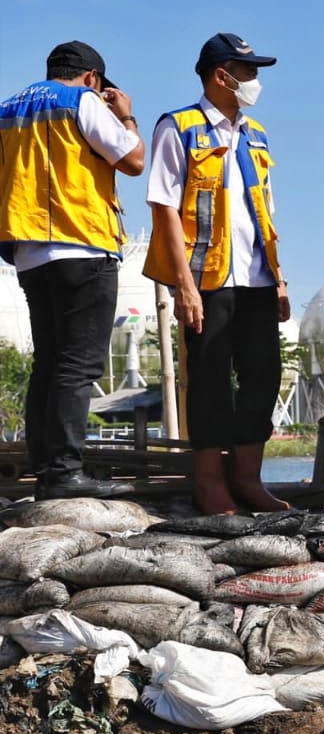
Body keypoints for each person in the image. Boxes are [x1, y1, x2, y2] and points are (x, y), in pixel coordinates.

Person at [143, 33, 289, 515]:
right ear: (220, 74)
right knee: (208, 379)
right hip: (206, 276)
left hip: (257, 278)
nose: (254, 80)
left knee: (264, 374)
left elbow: (265, 209)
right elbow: (163, 205)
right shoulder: (179, 126)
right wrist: (182, 284)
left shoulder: (256, 135)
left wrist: (281, 278)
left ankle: (247, 478)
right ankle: (209, 483)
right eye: (247, 71)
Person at [0, 41, 145, 499]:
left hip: (28, 251)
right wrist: (125, 114)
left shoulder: (7, 110)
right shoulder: (82, 100)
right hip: (81, 242)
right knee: (78, 367)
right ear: (91, 78)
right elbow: (134, 160)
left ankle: (46, 469)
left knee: (49, 364)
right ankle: (65, 472)